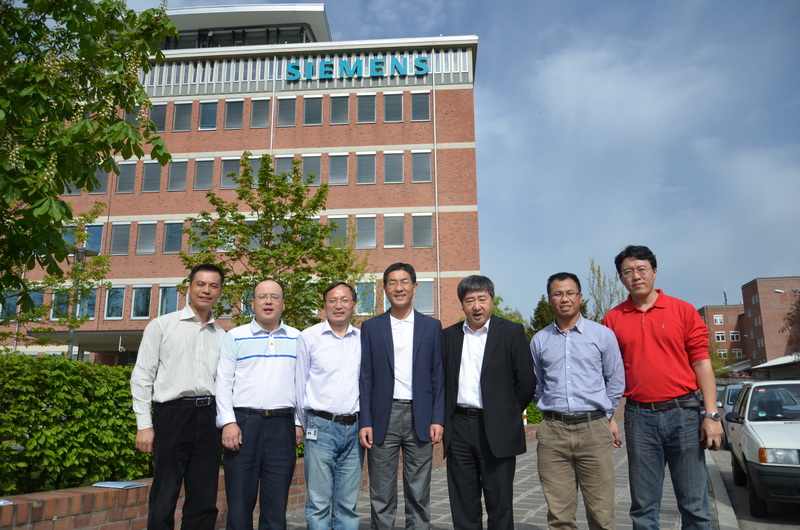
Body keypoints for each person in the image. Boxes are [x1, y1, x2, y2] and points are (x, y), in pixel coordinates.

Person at [604, 245, 722, 529]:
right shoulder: (612, 319)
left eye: (641, 269)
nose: (636, 276)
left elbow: (702, 363)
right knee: (643, 508)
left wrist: (712, 415)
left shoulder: (683, 311)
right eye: (628, 272)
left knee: (695, 505)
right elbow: (608, 374)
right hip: (639, 417)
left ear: (655, 272)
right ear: (621, 278)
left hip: (685, 415)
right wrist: (609, 416)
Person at [130, 263, 226, 530]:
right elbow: (142, 377)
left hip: (209, 417)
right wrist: (144, 425)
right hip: (172, 415)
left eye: (213, 286)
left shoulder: (222, 335)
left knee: (204, 493)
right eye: (201, 284)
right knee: (165, 490)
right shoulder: (162, 326)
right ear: (189, 287)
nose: (206, 290)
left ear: (220, 292)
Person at [531, 272, 625, 530]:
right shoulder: (540, 340)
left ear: (580, 297)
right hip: (553, 433)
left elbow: (615, 380)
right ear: (549, 299)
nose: (565, 299)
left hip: (593, 429)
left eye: (570, 293)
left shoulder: (602, 335)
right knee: (559, 516)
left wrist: (606, 416)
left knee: (601, 514)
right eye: (558, 294)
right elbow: (537, 385)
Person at [442, 275, 536, 529]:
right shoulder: (449, 336)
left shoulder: (511, 332)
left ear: (491, 300)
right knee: (463, 502)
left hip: (497, 428)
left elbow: (526, 381)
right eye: (469, 300)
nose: (477, 306)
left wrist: (505, 413)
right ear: (462, 304)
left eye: (482, 299)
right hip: (459, 427)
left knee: (500, 502)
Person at [359, 262, 445, 529]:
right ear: (385, 288)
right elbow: (365, 378)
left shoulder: (431, 326)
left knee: (419, 492)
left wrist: (437, 418)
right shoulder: (371, 327)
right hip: (383, 417)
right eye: (393, 282)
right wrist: (365, 421)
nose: (399, 288)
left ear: (414, 287)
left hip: (420, 415)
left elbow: (437, 375)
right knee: (381, 493)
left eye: (404, 282)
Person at [215, 279, 302, 530]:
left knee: (276, 507)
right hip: (244, 425)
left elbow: (302, 383)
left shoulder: (298, 338)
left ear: (283, 304)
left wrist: (298, 422)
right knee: (239, 505)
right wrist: (228, 422)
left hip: (283, 426)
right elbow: (223, 382)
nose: (268, 301)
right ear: (252, 303)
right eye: (262, 296)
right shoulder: (235, 336)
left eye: (275, 297)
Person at [295, 282, 364, 529]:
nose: (338, 305)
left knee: (348, 502)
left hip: (355, 428)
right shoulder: (309, 337)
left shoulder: (362, 339)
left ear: (354, 305)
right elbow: (299, 383)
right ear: (324, 305)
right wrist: (298, 423)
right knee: (318, 501)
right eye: (332, 300)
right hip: (320, 426)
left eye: (345, 300)